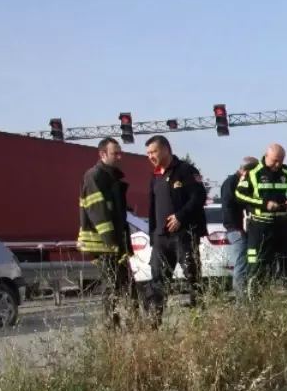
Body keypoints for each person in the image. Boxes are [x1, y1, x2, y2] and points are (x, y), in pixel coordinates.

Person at [144, 135, 207, 323]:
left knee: (192, 277)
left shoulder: (186, 171)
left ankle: (198, 319)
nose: (150, 156)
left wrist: (181, 216)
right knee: (157, 281)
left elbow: (198, 197)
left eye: (153, 152)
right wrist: (153, 237)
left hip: (184, 236)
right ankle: (154, 323)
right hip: (162, 239)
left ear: (166, 149)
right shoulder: (155, 176)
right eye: (147, 153)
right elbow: (152, 208)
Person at [78, 137, 135, 327]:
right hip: (105, 244)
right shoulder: (94, 176)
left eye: (120, 152)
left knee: (123, 285)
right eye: (115, 153)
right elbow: (98, 211)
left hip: (115, 242)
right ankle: (111, 325)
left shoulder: (111, 176)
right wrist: (112, 241)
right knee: (112, 285)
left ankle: (123, 322)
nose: (120, 156)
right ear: (102, 154)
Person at [234, 144, 287, 290]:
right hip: (260, 225)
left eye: (281, 160)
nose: (278, 164)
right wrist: (264, 204)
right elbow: (239, 194)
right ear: (266, 156)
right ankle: (256, 297)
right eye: (275, 160)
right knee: (259, 265)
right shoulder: (252, 172)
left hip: (282, 225)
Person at [221, 156, 258, 295]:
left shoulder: (237, 181)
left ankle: (247, 294)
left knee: (246, 262)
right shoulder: (232, 182)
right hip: (237, 228)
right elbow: (232, 205)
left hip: (241, 228)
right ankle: (241, 298)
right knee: (241, 263)